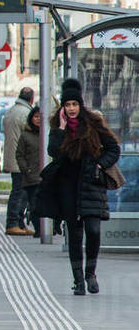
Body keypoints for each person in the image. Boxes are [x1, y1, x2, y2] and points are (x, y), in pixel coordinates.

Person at [47, 78, 120, 296]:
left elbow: (113, 149)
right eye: (67, 105)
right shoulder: (57, 126)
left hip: (91, 184)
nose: (71, 109)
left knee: (94, 230)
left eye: (74, 105)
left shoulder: (93, 123)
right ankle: (78, 279)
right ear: (63, 107)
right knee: (75, 234)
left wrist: (100, 164)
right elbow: (53, 151)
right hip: (68, 186)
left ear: (81, 105)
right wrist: (60, 129)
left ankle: (91, 273)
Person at [2, 87, 35, 236]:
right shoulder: (26, 113)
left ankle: (19, 224)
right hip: (21, 159)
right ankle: (13, 223)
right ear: (31, 99)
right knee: (20, 193)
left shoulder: (11, 111)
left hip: (12, 156)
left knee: (19, 191)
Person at [15, 106, 44, 238]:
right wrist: (26, 169)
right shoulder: (25, 136)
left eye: (40, 117)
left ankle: (50, 227)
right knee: (34, 204)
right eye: (36, 117)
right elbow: (19, 155)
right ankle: (39, 228)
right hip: (31, 176)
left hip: (47, 175)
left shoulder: (48, 134)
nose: (38, 120)